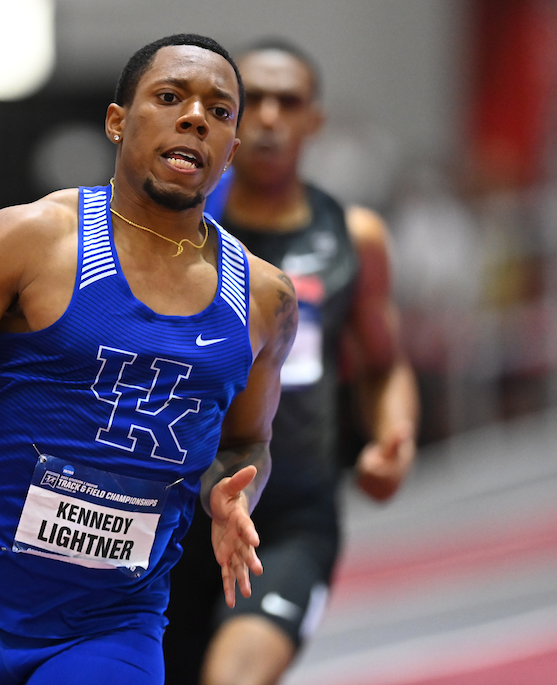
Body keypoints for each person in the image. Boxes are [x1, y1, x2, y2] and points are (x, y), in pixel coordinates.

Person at [0, 33, 300, 685]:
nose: (195, 117)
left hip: (112, 627)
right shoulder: (29, 242)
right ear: (117, 122)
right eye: (170, 97)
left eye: (219, 110)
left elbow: (247, 445)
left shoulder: (264, 300)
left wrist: (238, 496)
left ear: (230, 150)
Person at [163, 38, 419, 685]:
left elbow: (384, 362)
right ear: (228, 117)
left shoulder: (351, 237)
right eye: (254, 102)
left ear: (314, 121)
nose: (271, 118)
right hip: (169, 513)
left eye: (289, 102)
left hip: (288, 521)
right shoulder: (173, 230)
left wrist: (394, 438)